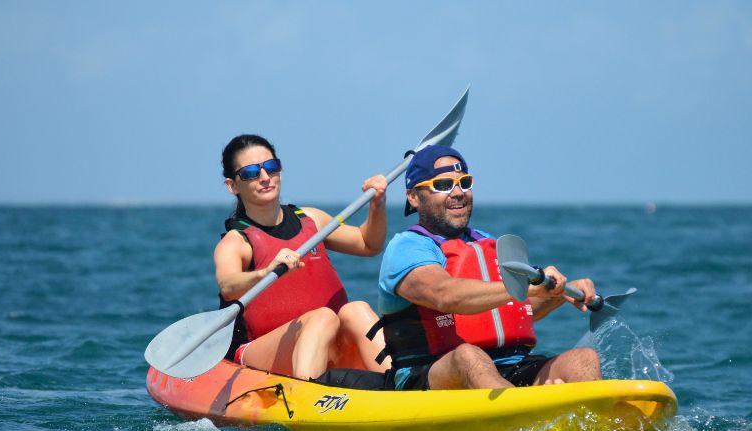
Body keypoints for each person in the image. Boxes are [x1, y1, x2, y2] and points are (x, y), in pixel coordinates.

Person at [370, 145, 602, 390]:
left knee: (584, 360)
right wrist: (529, 288)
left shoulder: (487, 242)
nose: (458, 192)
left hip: (509, 366)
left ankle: (600, 421)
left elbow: (514, 309)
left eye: (465, 182)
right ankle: (525, 413)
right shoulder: (407, 247)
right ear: (414, 197)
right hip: (432, 373)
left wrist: (558, 295)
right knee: (468, 357)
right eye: (443, 185)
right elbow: (445, 295)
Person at [215, 134, 391, 380]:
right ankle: (307, 399)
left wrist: (377, 204)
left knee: (356, 310)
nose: (265, 178)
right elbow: (228, 286)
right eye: (251, 173)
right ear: (233, 185)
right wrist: (265, 273)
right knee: (322, 318)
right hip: (263, 350)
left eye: (271, 167)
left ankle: (403, 382)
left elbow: (368, 244)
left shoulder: (312, 219)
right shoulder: (236, 242)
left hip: (331, 343)